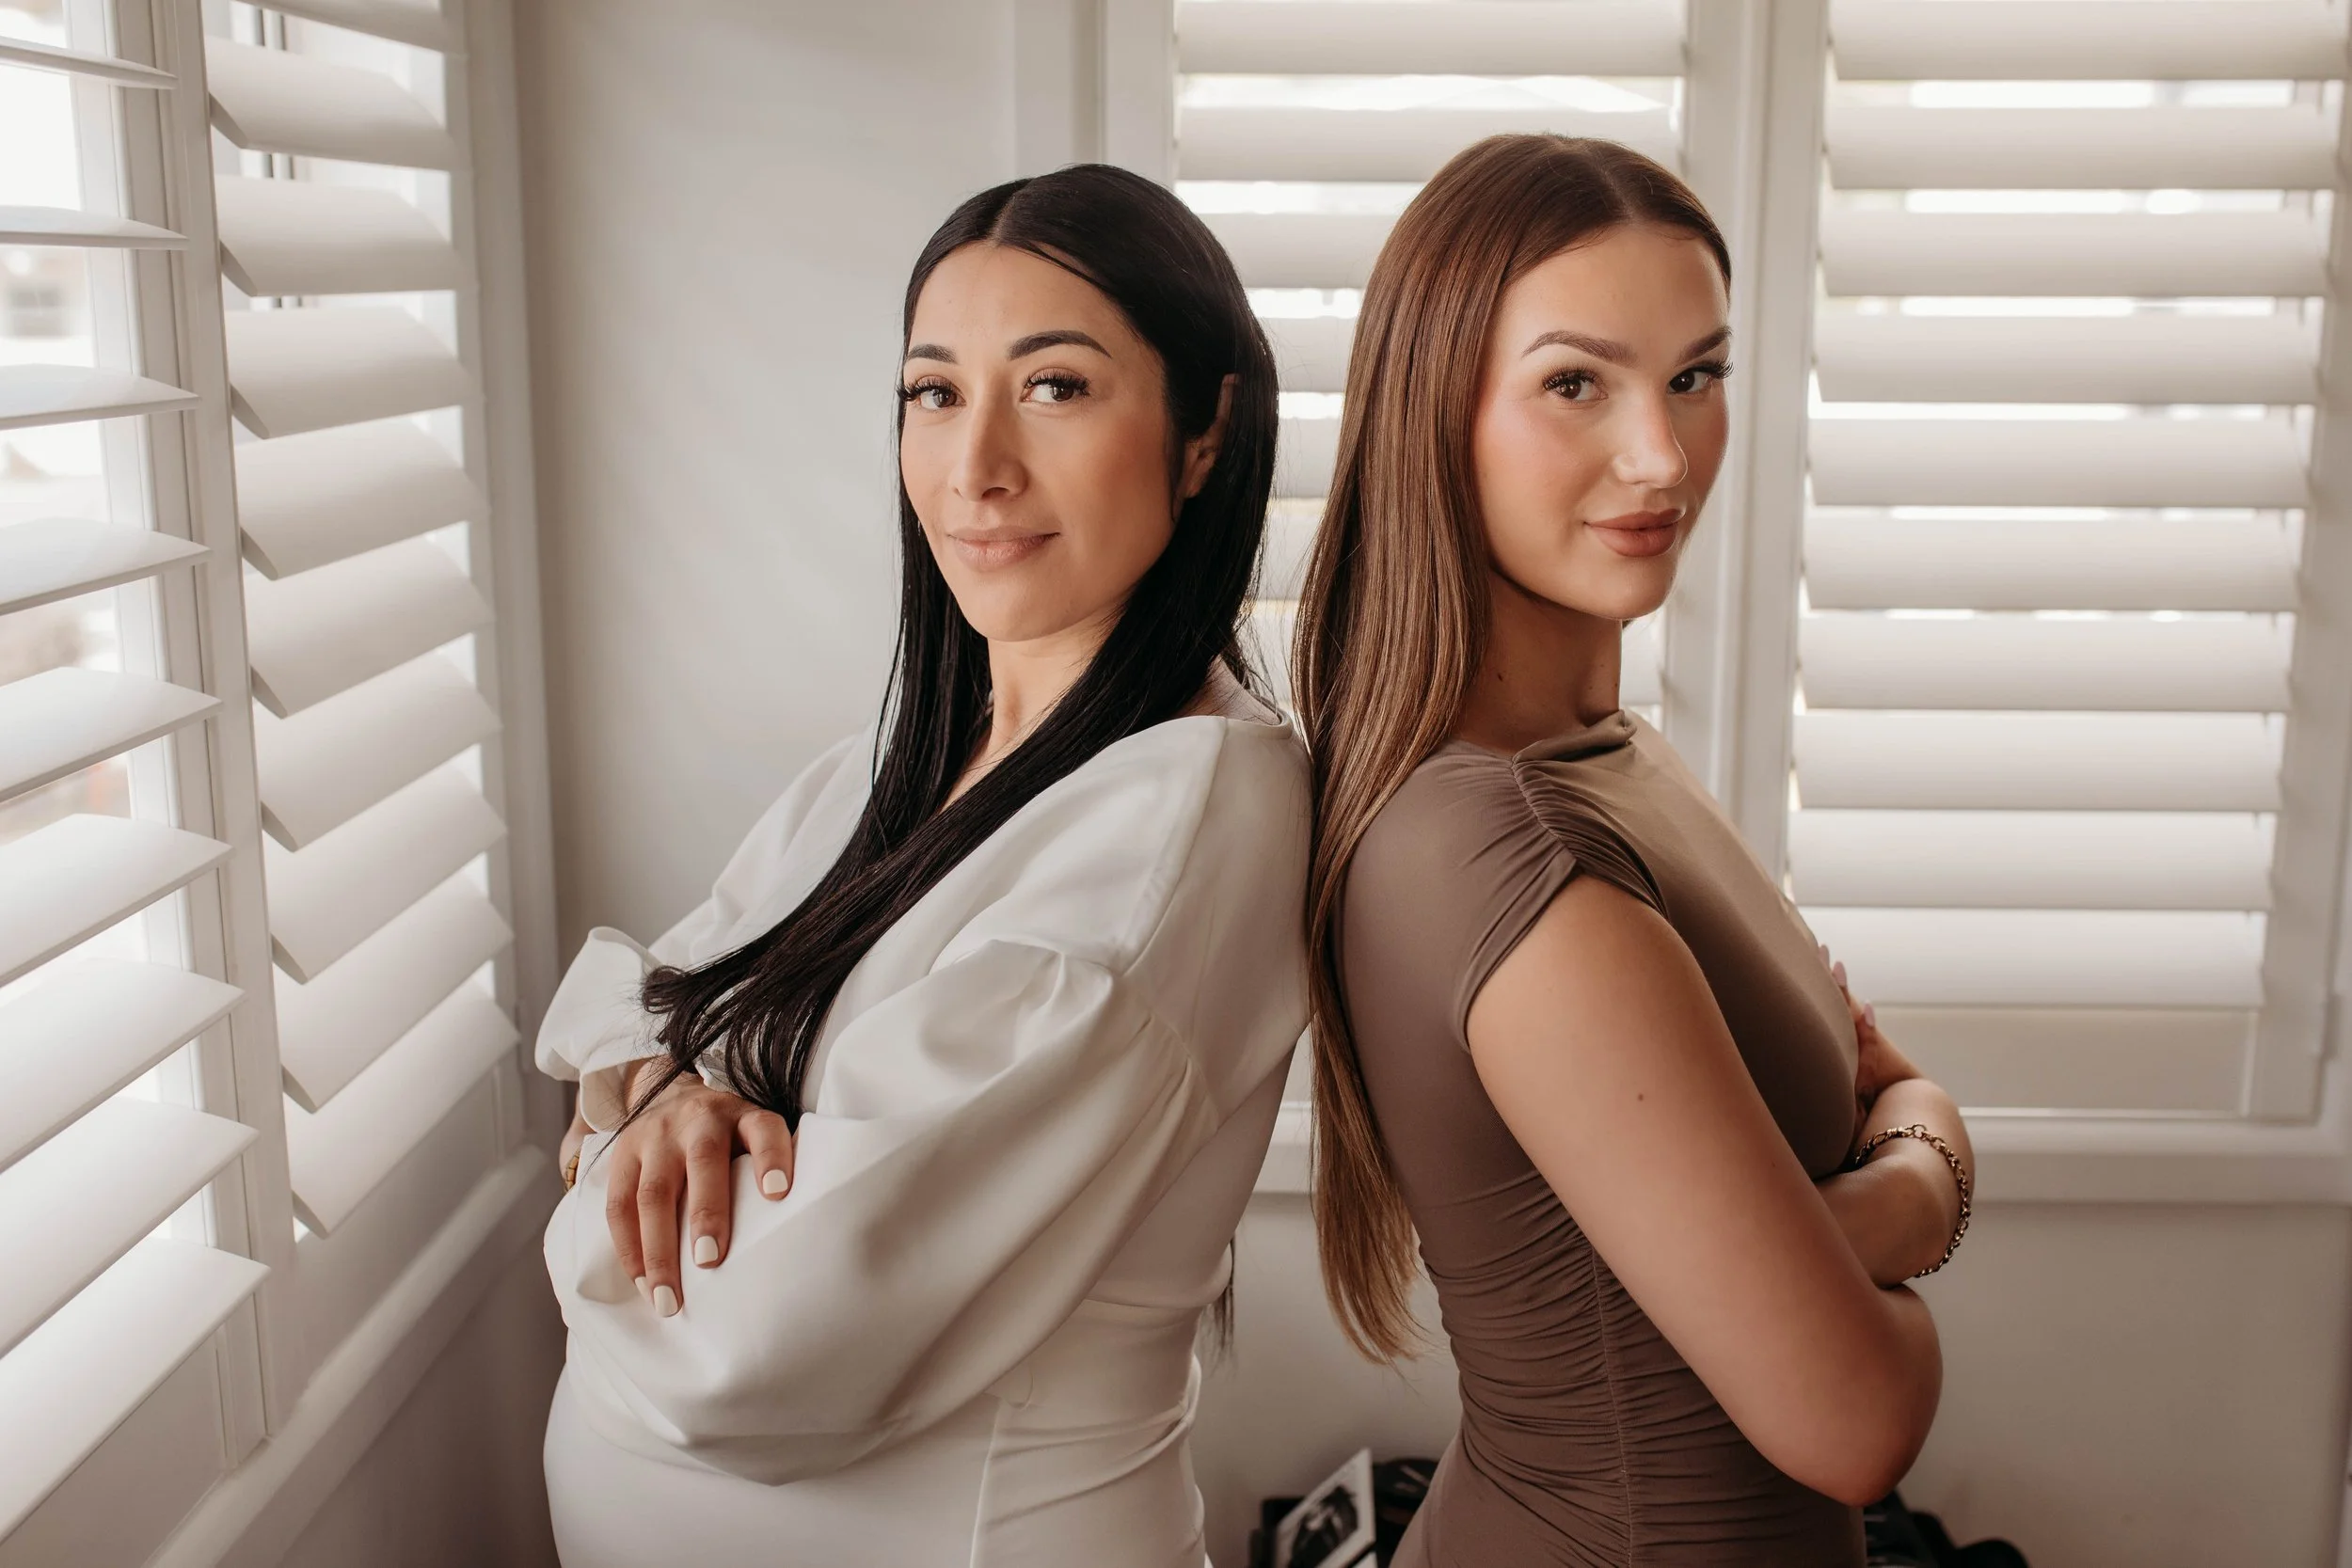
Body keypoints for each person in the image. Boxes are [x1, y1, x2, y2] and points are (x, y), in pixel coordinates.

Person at [536, 163, 1304, 1567]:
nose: (976, 466)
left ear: (1206, 433)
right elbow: (640, 1009)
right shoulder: (908, 759)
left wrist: (606, 1156)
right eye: (934, 392)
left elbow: (745, 1341)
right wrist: (664, 1095)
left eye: (1057, 388)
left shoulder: (1183, 822)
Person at [1294, 135, 1976, 1567]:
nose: (1661, 454)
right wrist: (1913, 1181)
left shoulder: (1603, 755)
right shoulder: (1508, 844)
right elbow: (1857, 1417)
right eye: (1574, 383)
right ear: (1437, 411)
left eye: (1696, 376)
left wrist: (1832, 1218)